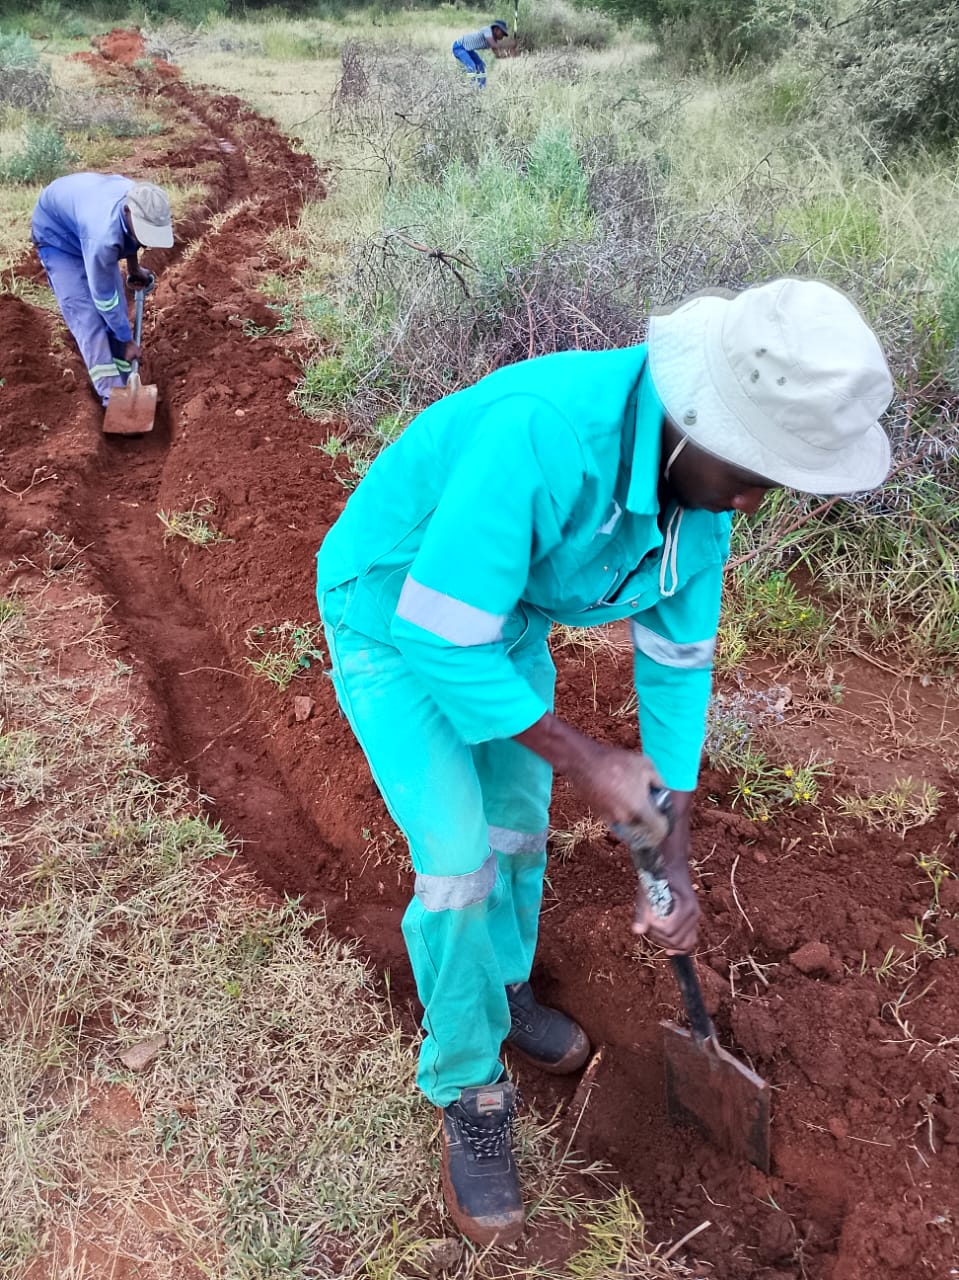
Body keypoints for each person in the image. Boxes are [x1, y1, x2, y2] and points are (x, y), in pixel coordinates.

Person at [315, 278, 893, 1245]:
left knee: (517, 824)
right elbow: (439, 631)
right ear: (693, 422)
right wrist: (590, 760)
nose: (750, 502)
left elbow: (675, 672)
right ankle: (467, 1083)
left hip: (498, 623)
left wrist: (673, 865)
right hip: (392, 616)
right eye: (749, 472)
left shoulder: (697, 504)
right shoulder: (542, 435)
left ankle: (504, 988)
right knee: (458, 860)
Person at [31, 173, 173, 409]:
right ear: (127, 212)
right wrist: (127, 340)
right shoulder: (103, 237)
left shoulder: (143, 201)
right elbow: (104, 298)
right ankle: (112, 398)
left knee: (117, 312)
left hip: (82, 215)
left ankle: (126, 383)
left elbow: (133, 238)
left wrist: (134, 268)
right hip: (58, 236)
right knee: (87, 317)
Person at [451, 19, 513, 88]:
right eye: (502, 33)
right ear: (496, 29)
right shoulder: (487, 30)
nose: (503, 36)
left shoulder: (494, 40)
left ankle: (481, 87)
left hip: (468, 50)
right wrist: (508, 45)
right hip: (459, 47)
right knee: (471, 66)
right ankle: (470, 86)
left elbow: (497, 53)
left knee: (480, 65)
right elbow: (494, 45)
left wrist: (510, 53)